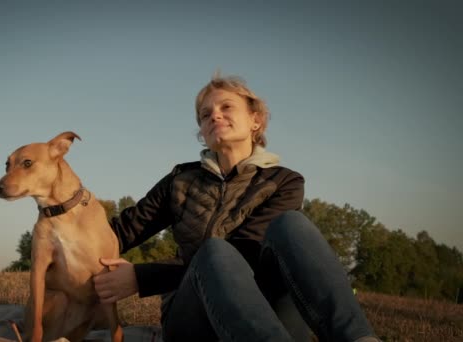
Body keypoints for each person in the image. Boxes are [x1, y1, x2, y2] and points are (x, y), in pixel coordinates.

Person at [93, 74, 379, 342]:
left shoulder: (284, 181)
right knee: (214, 251)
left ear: (256, 120)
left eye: (226, 107)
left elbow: (247, 251)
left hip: (270, 313)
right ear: (203, 133)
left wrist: (142, 277)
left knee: (291, 226)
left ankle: (358, 338)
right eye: (205, 114)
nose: (214, 115)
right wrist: (65, 212)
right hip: (193, 318)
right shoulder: (180, 180)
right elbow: (118, 232)